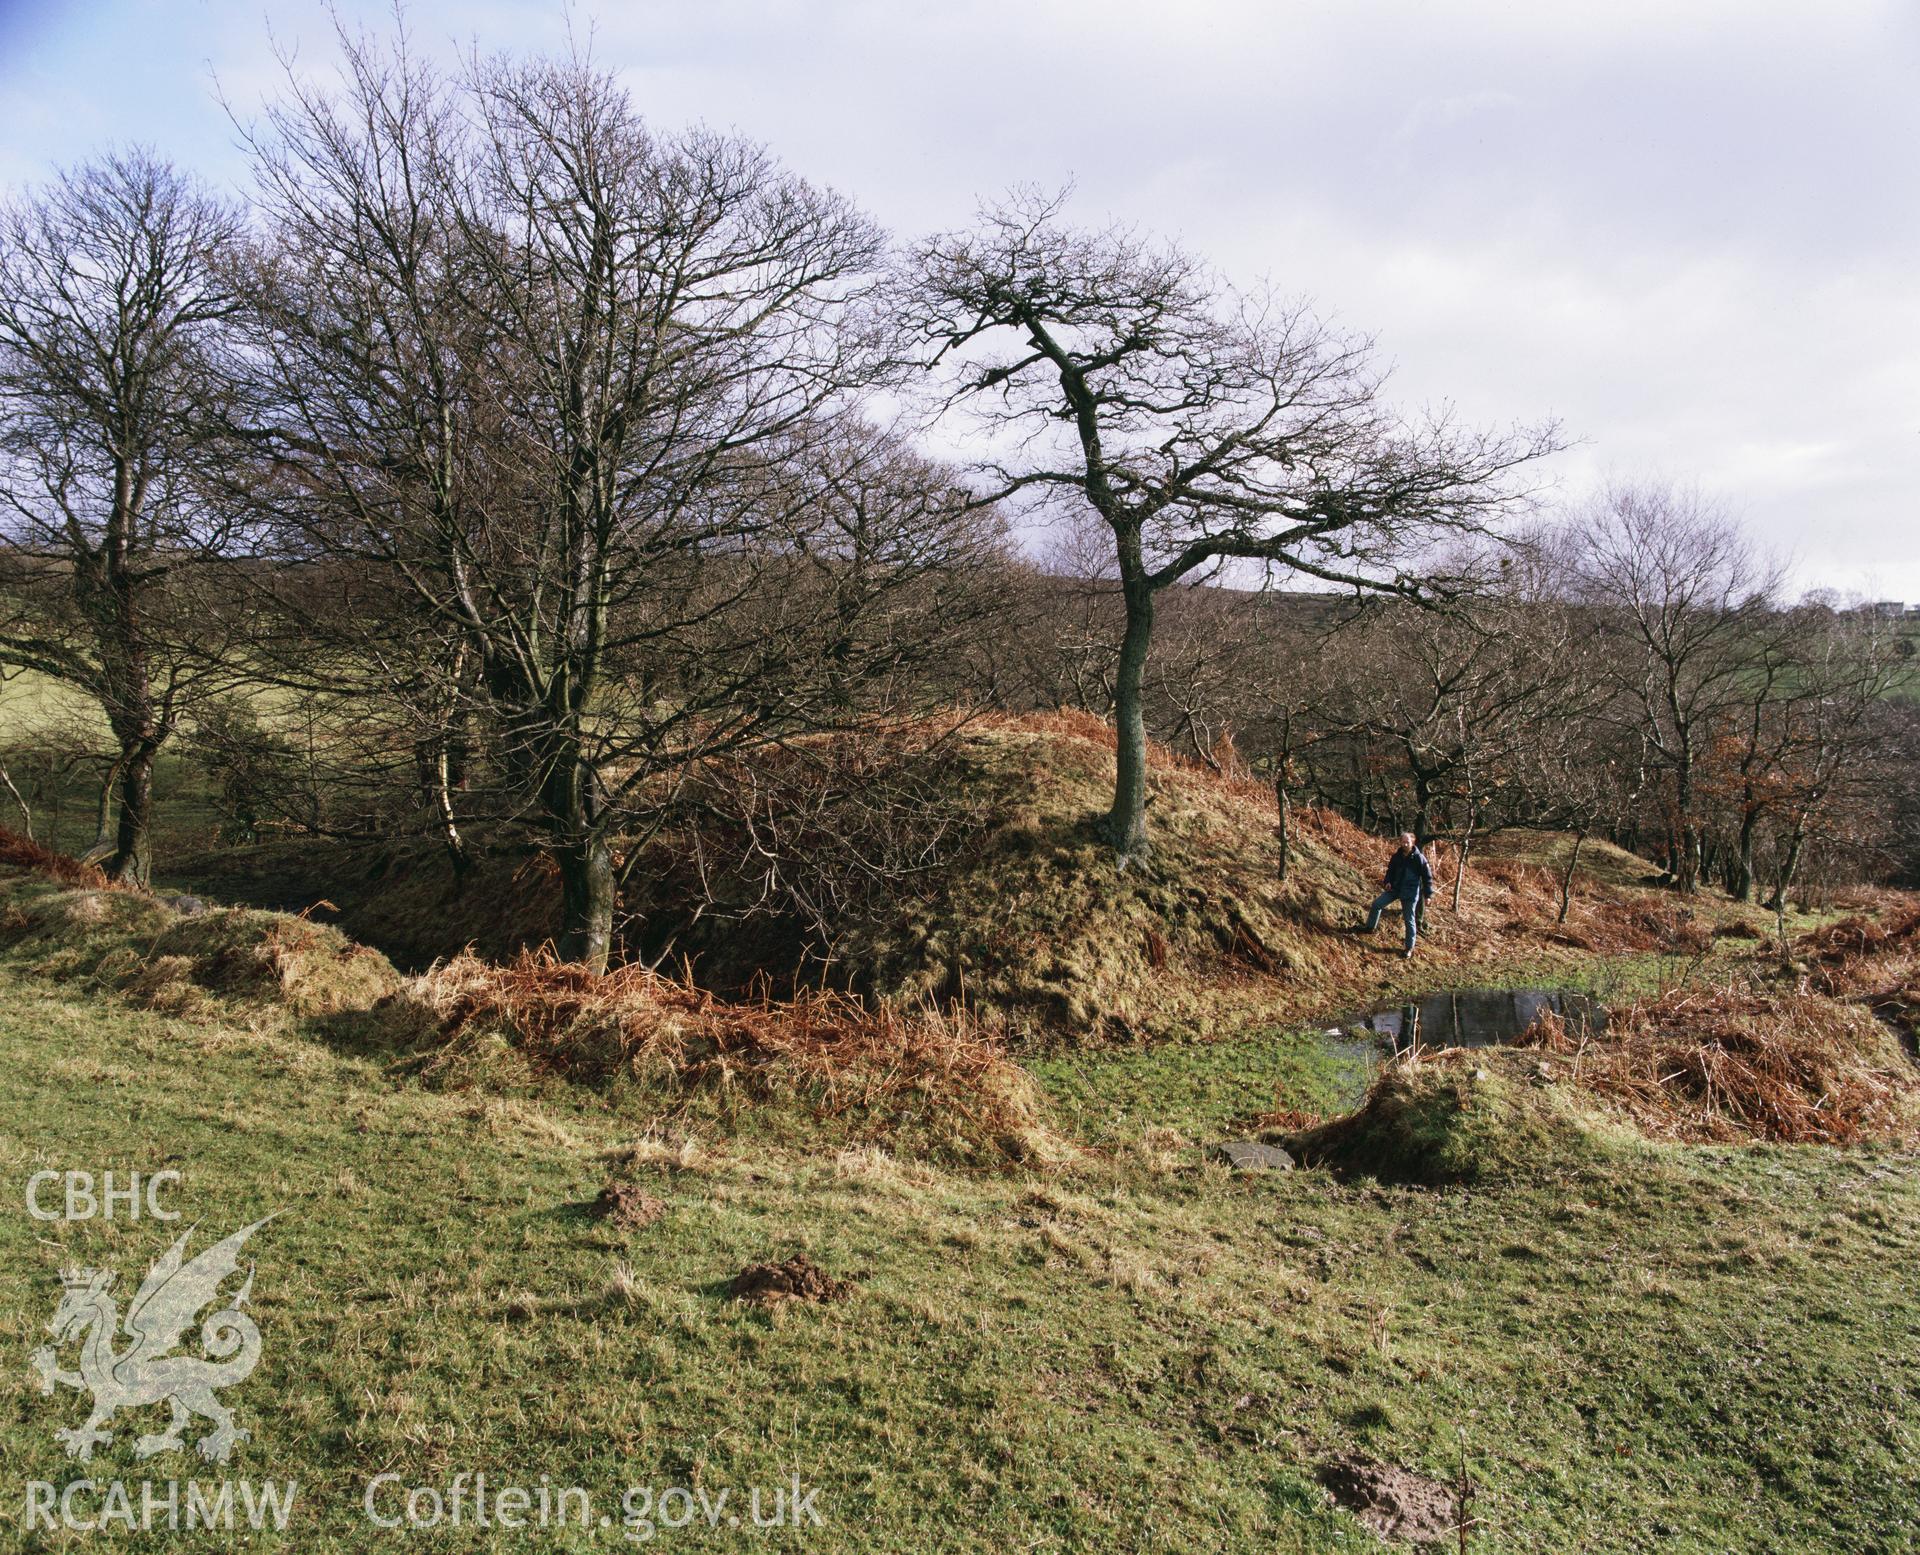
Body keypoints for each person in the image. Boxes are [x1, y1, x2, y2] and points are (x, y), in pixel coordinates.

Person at [1359, 832, 1434, 959]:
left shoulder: (1419, 858)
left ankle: (1409, 948)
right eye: (1403, 842)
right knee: (1377, 904)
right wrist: (1388, 882)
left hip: (1410, 892)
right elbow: (1390, 871)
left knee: (1409, 920)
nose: (1405, 844)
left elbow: (1427, 878)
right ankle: (1370, 928)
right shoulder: (1396, 856)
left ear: (1413, 843)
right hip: (1395, 889)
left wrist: (1428, 895)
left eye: (1407, 842)